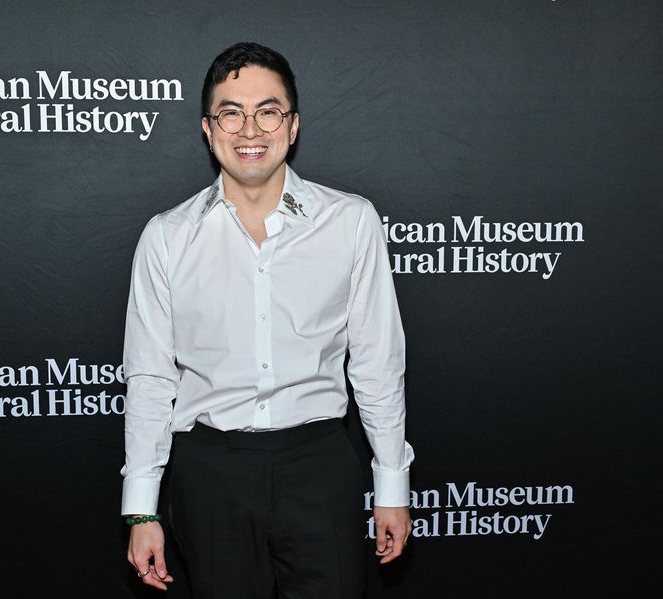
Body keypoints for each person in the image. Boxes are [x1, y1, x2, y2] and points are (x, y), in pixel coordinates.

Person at [120, 42, 414, 599]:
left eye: (267, 111)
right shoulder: (166, 237)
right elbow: (151, 379)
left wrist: (392, 486)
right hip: (210, 475)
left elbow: (377, 362)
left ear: (293, 124)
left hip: (320, 468)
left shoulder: (350, 222)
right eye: (230, 112)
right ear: (208, 129)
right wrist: (141, 511)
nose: (249, 128)